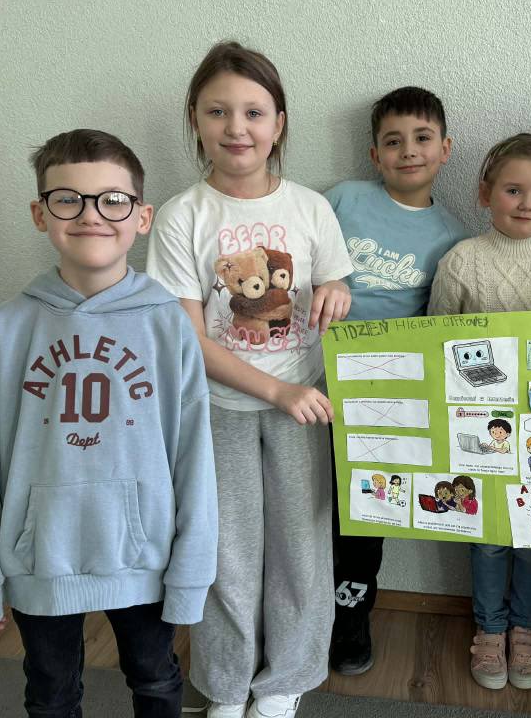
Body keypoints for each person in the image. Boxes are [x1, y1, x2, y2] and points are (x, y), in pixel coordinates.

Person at [0, 128, 218, 718]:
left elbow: (192, 454)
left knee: (156, 680)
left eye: (112, 200)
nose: (91, 214)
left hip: (144, 558)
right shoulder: (11, 325)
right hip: (41, 558)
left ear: (141, 216)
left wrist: (191, 574)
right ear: (40, 213)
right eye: (68, 198)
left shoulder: (167, 324)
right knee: (51, 693)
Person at [145, 41, 353, 718]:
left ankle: (286, 681)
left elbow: (333, 280)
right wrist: (275, 391)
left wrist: (337, 289)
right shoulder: (182, 215)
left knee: (301, 550)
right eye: (218, 111)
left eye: (254, 112)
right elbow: (186, 337)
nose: (237, 127)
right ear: (196, 120)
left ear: (279, 123)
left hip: (306, 404)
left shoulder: (311, 208)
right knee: (223, 552)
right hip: (218, 408)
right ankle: (228, 686)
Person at [429, 132, 531, 691]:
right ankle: (490, 629)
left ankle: (526, 627)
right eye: (513, 190)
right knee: (489, 534)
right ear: (486, 193)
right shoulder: (462, 261)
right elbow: (436, 341)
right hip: (479, 427)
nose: (527, 203)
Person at [326, 86, 467, 676]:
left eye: (422, 138)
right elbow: (299, 258)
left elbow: (437, 322)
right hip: (308, 378)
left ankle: (350, 615)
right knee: (303, 506)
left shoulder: (451, 236)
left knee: (361, 512)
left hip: (381, 394)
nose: (408, 150)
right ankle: (292, 612)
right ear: (374, 154)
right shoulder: (343, 199)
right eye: (393, 141)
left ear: (445, 149)